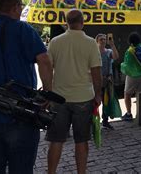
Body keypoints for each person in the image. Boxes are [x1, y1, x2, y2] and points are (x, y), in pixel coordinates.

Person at [0, 0, 53, 174]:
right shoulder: (23, 29)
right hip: (20, 114)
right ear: (15, 8)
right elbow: (44, 60)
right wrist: (47, 93)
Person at [46, 9, 102, 174]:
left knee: (56, 141)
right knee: (81, 140)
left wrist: (48, 92)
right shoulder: (90, 42)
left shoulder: (55, 42)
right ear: (83, 22)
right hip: (83, 97)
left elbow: (48, 68)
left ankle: (51, 172)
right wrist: (98, 94)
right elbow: (96, 72)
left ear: (66, 22)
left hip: (58, 98)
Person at [120, 32, 141, 121]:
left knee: (127, 94)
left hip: (133, 76)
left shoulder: (130, 51)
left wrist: (122, 66)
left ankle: (129, 114)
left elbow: (127, 65)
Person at [95, 33, 119, 129]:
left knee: (107, 101)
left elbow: (116, 56)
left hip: (107, 79)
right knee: (95, 102)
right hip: (97, 80)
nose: (104, 41)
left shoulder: (109, 51)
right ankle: (95, 122)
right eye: (101, 39)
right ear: (97, 41)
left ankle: (105, 120)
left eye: (105, 39)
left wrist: (112, 44)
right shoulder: (94, 52)